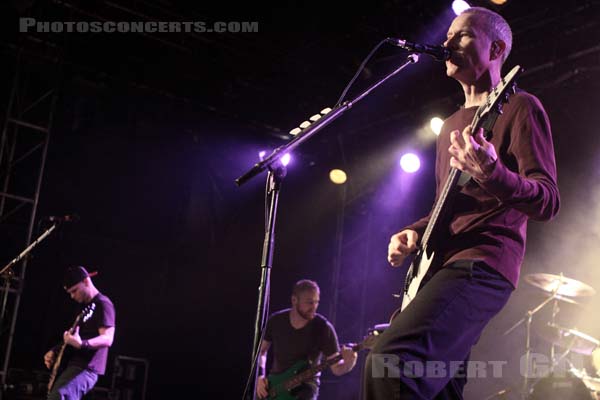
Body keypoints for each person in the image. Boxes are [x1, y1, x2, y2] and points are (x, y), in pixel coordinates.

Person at [363, 7, 560, 400]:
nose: (447, 43)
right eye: (448, 35)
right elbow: (447, 204)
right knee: (440, 388)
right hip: (440, 266)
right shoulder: (450, 125)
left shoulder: (520, 107)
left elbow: (548, 200)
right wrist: (413, 232)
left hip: (482, 265)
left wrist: (492, 172)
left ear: (496, 48)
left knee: (389, 361)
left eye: (463, 36)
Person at [256, 279, 358, 399]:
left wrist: (349, 363)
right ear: (294, 300)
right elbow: (261, 352)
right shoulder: (276, 321)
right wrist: (259, 377)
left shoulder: (323, 327)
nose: (314, 307)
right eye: (309, 302)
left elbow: (336, 368)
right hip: (275, 386)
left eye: (316, 302)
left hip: (306, 387)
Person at [44, 266, 116, 400]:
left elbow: (107, 338)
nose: (72, 296)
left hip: (87, 368)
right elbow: (75, 337)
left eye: (74, 291)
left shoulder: (103, 304)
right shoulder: (85, 308)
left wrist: (83, 344)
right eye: (70, 293)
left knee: (58, 397)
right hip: (74, 364)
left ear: (86, 282)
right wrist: (55, 350)